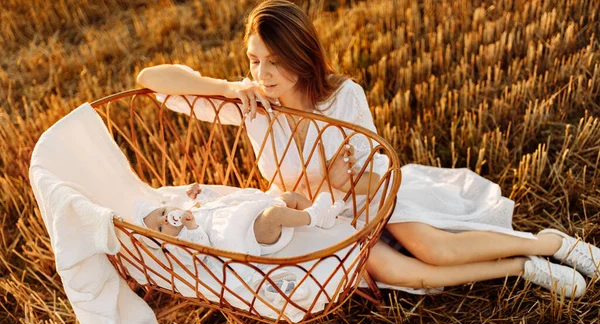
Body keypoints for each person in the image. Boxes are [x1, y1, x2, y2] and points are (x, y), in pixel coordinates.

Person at [136, 0, 599, 298]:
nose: (264, 74)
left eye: (276, 62)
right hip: (318, 218)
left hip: (370, 198)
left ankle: (552, 243)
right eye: (255, 60)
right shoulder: (254, 103)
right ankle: (521, 267)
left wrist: (347, 181)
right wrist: (226, 87)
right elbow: (150, 82)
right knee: (406, 274)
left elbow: (376, 170)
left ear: (302, 57)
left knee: (433, 249)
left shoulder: (343, 97)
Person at [136, 183, 344, 257]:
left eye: (162, 212)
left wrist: (201, 193)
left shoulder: (191, 209)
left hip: (247, 213)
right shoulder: (183, 242)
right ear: (165, 241)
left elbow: (220, 203)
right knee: (273, 215)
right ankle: (312, 215)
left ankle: (322, 218)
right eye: (161, 227)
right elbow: (202, 253)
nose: (166, 218)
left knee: (289, 197)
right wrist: (192, 226)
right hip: (251, 236)